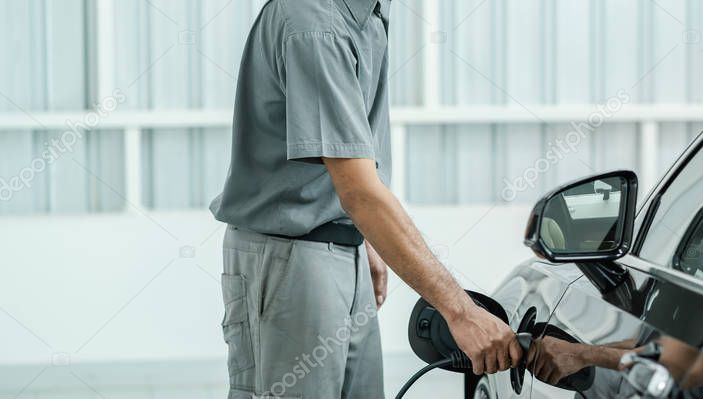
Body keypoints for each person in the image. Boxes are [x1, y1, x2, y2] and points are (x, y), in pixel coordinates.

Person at [208, 0, 521, 397]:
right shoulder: (313, 24)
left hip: (341, 246)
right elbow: (359, 191)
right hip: (291, 260)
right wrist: (460, 312)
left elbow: (348, 166)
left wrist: (362, 234)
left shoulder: (366, 15)